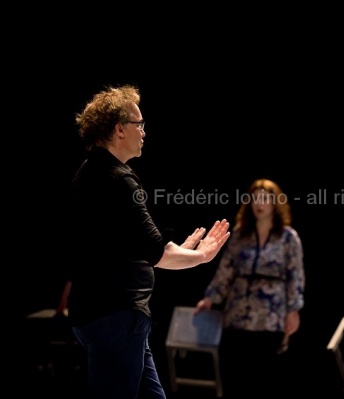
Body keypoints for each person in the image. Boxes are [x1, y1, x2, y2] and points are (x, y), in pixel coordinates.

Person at [66, 84, 231, 399]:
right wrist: (202, 256)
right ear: (119, 130)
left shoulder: (89, 173)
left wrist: (180, 251)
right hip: (116, 319)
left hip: (107, 317)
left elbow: (127, 249)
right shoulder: (119, 180)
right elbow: (157, 252)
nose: (144, 132)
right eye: (138, 124)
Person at [194, 178, 305, 399]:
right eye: (255, 199)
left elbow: (296, 276)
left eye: (264, 198)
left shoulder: (287, 237)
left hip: (270, 318)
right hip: (238, 316)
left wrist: (293, 310)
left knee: (263, 381)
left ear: (275, 203)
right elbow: (226, 270)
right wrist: (210, 298)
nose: (259, 204)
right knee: (236, 379)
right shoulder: (240, 234)